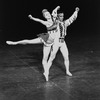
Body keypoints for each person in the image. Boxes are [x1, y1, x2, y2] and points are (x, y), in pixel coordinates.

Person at [6, 6, 60, 81]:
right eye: (45, 15)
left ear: (50, 14)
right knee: (30, 42)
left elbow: (54, 10)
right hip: (47, 39)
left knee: (49, 58)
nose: (47, 15)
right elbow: (38, 20)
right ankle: (15, 43)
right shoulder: (45, 22)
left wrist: (57, 8)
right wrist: (32, 18)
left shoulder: (55, 18)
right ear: (44, 17)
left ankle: (46, 72)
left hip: (53, 41)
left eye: (48, 14)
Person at [46, 7, 80, 81]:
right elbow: (53, 14)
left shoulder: (65, 23)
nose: (62, 17)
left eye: (63, 16)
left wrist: (76, 11)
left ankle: (67, 71)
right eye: (60, 16)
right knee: (51, 58)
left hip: (63, 42)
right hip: (56, 43)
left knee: (66, 57)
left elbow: (72, 18)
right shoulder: (55, 23)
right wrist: (56, 9)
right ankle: (46, 72)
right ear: (58, 16)